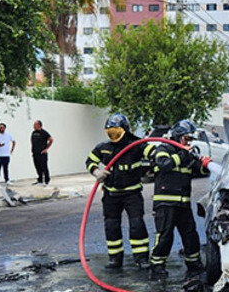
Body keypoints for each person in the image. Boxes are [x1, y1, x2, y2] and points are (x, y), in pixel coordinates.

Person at [144, 120, 211, 281]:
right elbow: (164, 164)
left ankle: (194, 264)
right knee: (165, 235)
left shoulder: (187, 153)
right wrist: (183, 153)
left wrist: (205, 164)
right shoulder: (163, 148)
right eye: (186, 139)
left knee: (190, 234)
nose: (187, 142)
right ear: (178, 136)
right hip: (165, 202)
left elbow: (197, 169)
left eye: (189, 140)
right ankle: (157, 265)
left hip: (183, 202)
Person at [86, 113, 149, 270]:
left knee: (137, 225)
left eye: (116, 132)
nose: (113, 135)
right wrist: (96, 172)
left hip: (132, 194)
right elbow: (90, 161)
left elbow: (151, 151)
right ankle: (115, 259)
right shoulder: (104, 148)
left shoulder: (136, 145)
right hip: (111, 194)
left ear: (125, 130)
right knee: (111, 226)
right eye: (110, 132)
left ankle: (141, 259)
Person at [31, 120, 53, 186]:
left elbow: (51, 139)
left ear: (39, 125)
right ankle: (40, 180)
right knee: (37, 167)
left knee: (44, 167)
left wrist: (46, 149)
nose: (33, 126)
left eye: (35, 124)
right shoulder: (34, 132)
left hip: (42, 153)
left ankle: (47, 181)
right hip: (35, 153)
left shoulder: (43, 132)